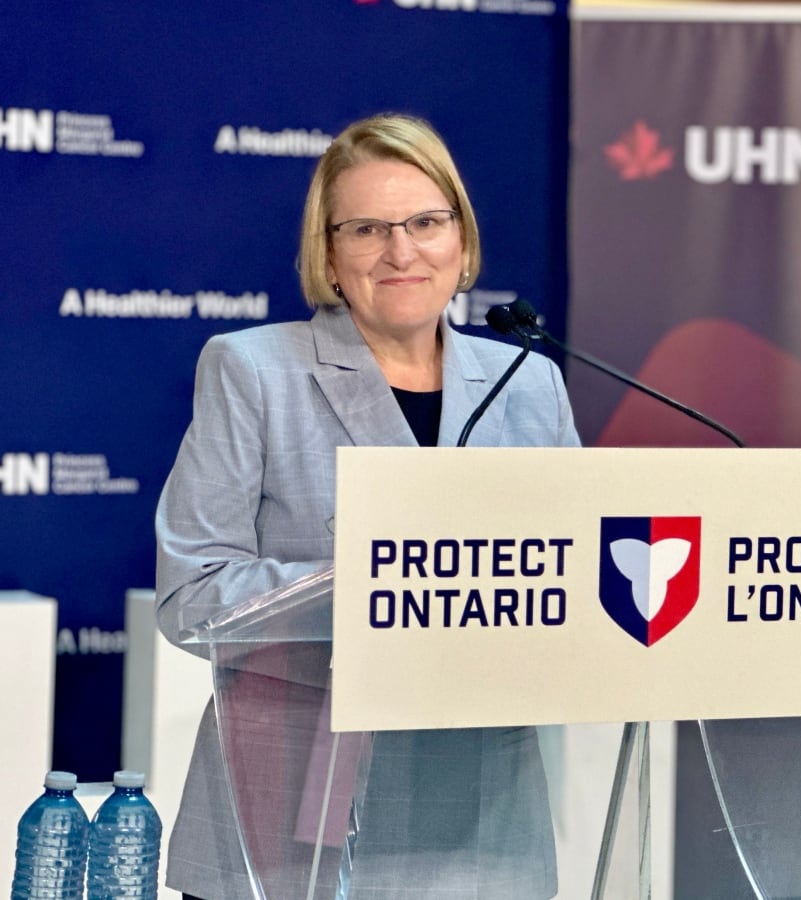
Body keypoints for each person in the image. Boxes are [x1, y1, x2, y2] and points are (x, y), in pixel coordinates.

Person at [155, 113, 579, 900]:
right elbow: (192, 593)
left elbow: (571, 586)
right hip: (292, 808)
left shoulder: (530, 383)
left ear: (460, 238)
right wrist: (380, 590)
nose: (402, 250)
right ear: (329, 253)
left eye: (426, 221)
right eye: (368, 229)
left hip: (479, 820)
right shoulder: (253, 370)